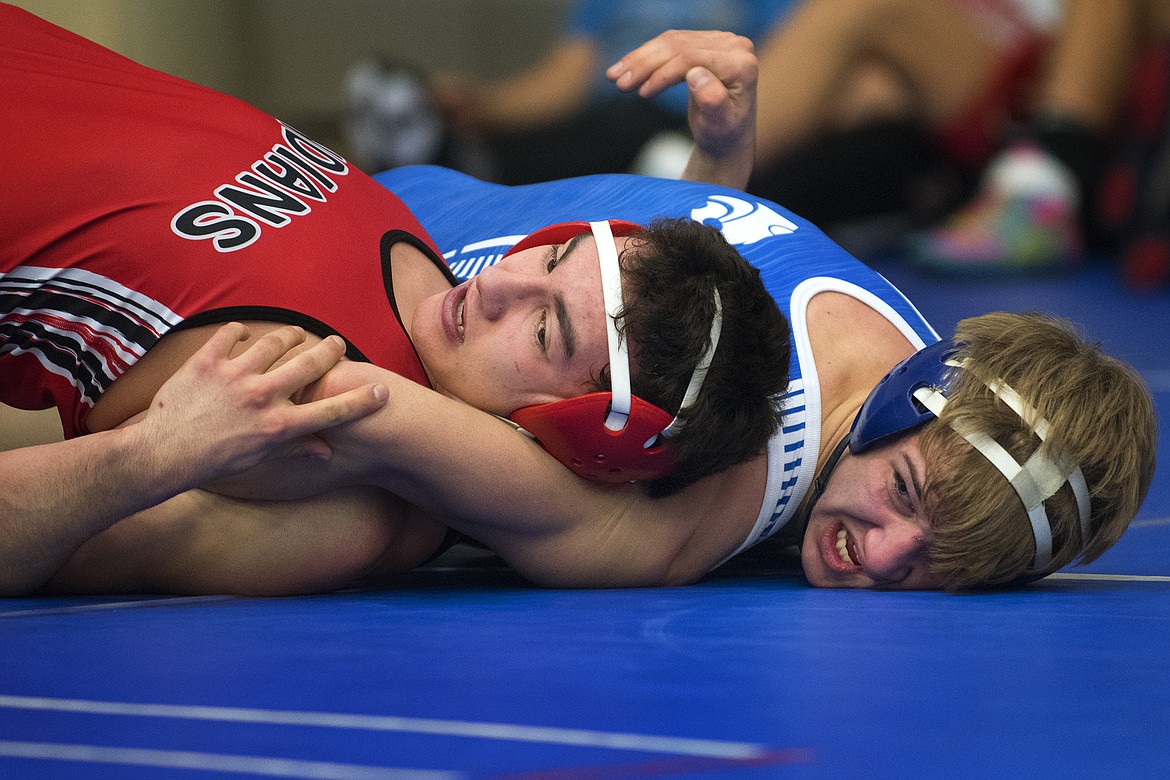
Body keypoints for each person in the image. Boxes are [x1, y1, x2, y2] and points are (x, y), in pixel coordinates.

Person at [1, 6, 784, 594]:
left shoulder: (311, 450)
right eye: (553, 253)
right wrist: (720, 149)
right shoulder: (449, 295)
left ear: (581, 434)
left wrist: (146, 460)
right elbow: (631, 313)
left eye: (544, 330)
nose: (501, 281)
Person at [745, 0, 1170, 269]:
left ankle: (1043, 189)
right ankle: (709, 182)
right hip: (1041, 65)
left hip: (1097, 98)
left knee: (860, 13)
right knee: (869, 82)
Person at [348, 0, 798, 182]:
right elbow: (564, 79)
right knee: (562, 144)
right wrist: (482, 107)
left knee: (631, 139)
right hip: (607, 108)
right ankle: (442, 147)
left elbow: (797, 69)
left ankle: (437, 155)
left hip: (691, 114)